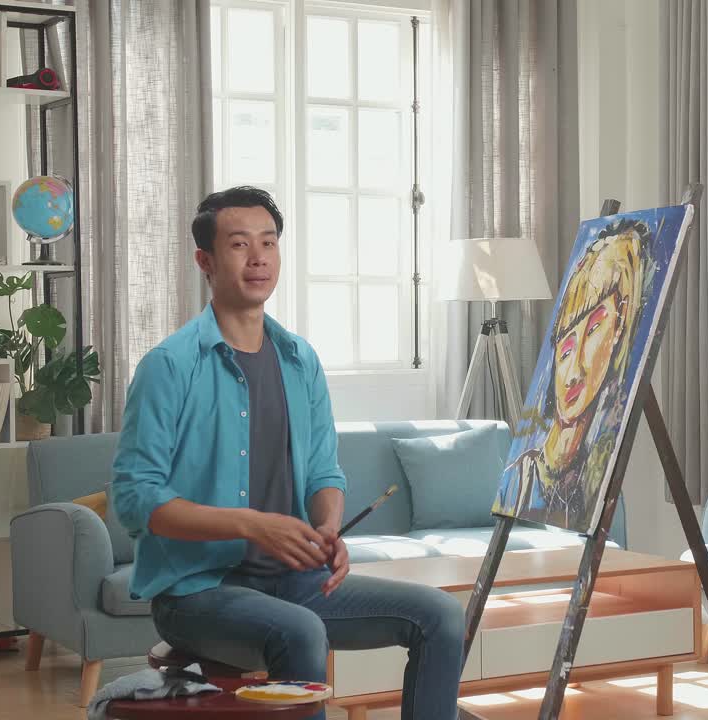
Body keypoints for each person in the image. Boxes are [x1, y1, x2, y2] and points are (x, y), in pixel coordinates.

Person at [111, 186, 465, 720]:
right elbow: (137, 500)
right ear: (204, 261)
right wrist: (251, 525)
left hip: (296, 581)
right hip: (196, 593)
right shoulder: (170, 366)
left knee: (440, 614)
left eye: (269, 243)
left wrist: (327, 529)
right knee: (302, 631)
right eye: (239, 244)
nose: (258, 258)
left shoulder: (301, 360)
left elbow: (325, 471)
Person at [494, 219, 649, 532]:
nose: (574, 368)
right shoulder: (523, 481)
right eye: (564, 349)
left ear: (619, 326)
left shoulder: (592, 474)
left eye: (593, 330)